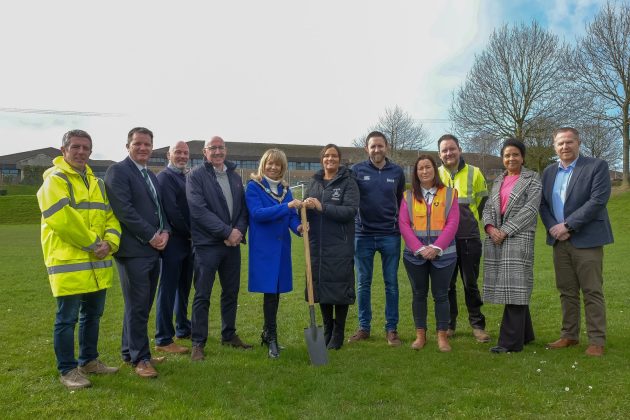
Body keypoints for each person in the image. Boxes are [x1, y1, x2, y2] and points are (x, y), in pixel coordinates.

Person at [36, 129, 121, 390]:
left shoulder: (96, 183)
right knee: (67, 319)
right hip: (68, 262)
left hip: (97, 263)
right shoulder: (55, 179)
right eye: (76, 147)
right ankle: (67, 369)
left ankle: (89, 361)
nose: (81, 152)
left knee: (92, 315)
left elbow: (110, 217)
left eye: (86, 148)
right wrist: (95, 244)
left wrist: (111, 242)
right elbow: (62, 218)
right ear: (63, 151)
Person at [540, 127, 613, 357]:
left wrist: (568, 225)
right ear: (554, 147)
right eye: (560, 143)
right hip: (559, 241)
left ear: (579, 143)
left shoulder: (596, 166)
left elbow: (598, 200)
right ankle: (569, 335)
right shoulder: (549, 172)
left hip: (587, 239)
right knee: (567, 291)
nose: (565, 147)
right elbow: (542, 204)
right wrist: (554, 227)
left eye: (569, 142)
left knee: (592, 291)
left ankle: (596, 340)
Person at [105, 127, 171, 378]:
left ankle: (130, 351)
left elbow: (159, 209)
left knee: (141, 305)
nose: (143, 148)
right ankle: (140, 359)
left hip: (153, 250)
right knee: (138, 306)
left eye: (147, 144)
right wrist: (152, 235)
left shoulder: (151, 176)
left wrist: (165, 231)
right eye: (138, 144)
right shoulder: (118, 171)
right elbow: (124, 211)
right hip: (133, 251)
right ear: (128, 146)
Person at [187, 136, 251, 361]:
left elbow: (243, 210)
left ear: (226, 150)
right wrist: (226, 232)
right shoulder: (195, 176)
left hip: (232, 246)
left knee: (231, 292)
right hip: (207, 246)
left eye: (220, 147)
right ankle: (198, 343)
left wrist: (237, 233)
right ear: (205, 152)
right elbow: (198, 210)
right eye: (212, 148)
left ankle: (229, 334)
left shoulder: (234, 176)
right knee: (202, 294)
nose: (217, 151)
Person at [482, 139, 542, 353]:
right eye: (507, 155)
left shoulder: (533, 179)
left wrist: (505, 230)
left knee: (516, 287)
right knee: (516, 286)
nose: (511, 158)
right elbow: (488, 207)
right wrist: (490, 228)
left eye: (515, 154)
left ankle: (509, 343)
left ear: (523, 157)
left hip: (518, 237)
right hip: (497, 239)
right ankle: (526, 334)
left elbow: (530, 210)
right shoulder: (498, 180)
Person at [349, 131, 405, 346]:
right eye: (373, 146)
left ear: (386, 146)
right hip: (362, 235)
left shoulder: (397, 172)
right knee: (363, 283)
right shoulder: (357, 170)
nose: (377, 150)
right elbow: (352, 199)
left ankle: (392, 329)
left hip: (390, 235)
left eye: (380, 146)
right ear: (367, 148)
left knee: (391, 283)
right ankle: (364, 327)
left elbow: (400, 201)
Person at [245, 148, 303, 359]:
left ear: (282, 167)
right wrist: (287, 206)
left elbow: (291, 217)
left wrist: (298, 227)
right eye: (269, 163)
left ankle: (267, 332)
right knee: (270, 293)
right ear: (263, 164)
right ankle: (272, 338)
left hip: (282, 248)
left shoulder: (285, 189)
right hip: (264, 249)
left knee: (275, 292)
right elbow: (258, 214)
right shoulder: (253, 187)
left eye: (277, 164)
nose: (273, 167)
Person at [399, 154, 459, 352]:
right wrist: (419, 248)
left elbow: (452, 223)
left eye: (428, 167)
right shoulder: (408, 196)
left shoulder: (450, 193)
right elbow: (404, 225)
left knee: (442, 295)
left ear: (435, 169)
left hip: (444, 255)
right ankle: (420, 335)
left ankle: (442, 336)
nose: (424, 171)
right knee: (418, 295)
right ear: (415, 173)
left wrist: (436, 248)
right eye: (420, 168)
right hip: (415, 256)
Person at [303, 144, 359, 350]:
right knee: (323, 288)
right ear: (322, 159)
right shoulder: (314, 182)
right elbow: (307, 211)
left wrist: (322, 207)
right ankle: (326, 331)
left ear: (339, 159)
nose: (330, 159)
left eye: (334, 156)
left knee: (340, 288)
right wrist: (303, 215)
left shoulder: (348, 182)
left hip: (340, 244)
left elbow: (350, 211)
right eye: (327, 156)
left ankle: (338, 333)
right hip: (317, 245)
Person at [437, 134, 490, 343]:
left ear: (459, 149)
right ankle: (449, 325)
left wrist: (482, 225)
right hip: (443, 241)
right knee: (447, 285)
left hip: (469, 237)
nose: (449, 153)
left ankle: (477, 325)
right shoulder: (435, 174)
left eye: (452, 148)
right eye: (444, 150)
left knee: (470, 284)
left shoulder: (475, 172)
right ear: (440, 154)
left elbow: (484, 203)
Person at [154, 141, 193, 355]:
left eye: (185, 153)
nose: (182, 156)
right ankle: (163, 337)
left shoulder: (186, 176)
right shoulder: (165, 177)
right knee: (168, 289)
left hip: (188, 242)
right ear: (169, 154)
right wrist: (191, 232)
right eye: (178, 152)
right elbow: (172, 211)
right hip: (174, 241)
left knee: (184, 288)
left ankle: (183, 327)